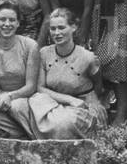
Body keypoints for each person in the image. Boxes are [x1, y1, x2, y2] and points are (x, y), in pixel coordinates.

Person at [25, 8, 108, 139]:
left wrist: (91, 104)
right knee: (28, 107)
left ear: (73, 27)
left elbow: (98, 85)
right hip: (53, 102)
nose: (56, 33)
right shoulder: (44, 53)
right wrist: (69, 99)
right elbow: (40, 88)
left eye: (61, 27)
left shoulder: (88, 57)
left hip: (81, 104)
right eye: (53, 29)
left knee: (64, 123)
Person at [0, 1, 40, 138]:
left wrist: (10, 96)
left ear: (18, 23)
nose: (7, 24)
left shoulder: (30, 46)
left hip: (25, 96)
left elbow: (31, 86)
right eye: (2, 19)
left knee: (15, 107)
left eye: (12, 20)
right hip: (0, 95)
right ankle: (12, 132)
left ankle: (32, 135)